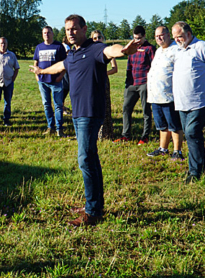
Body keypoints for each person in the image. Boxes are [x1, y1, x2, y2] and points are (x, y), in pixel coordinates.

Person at [29, 14, 140, 227]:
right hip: (78, 114)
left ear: (84, 29)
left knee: (85, 159)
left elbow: (110, 50)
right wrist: (42, 70)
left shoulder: (95, 49)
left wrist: (124, 51)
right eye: (67, 30)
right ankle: (94, 204)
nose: (70, 33)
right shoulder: (72, 54)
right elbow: (60, 66)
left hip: (90, 113)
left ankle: (93, 211)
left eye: (74, 29)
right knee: (91, 159)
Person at [172, 21, 205, 183]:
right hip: (182, 101)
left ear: (188, 34)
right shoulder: (179, 50)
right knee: (190, 134)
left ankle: (196, 172)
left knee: (192, 132)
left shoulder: (202, 47)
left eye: (179, 36)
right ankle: (193, 167)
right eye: (175, 37)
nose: (177, 40)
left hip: (201, 100)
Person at [146, 26, 184, 160]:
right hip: (155, 95)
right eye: (156, 36)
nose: (159, 38)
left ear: (168, 35)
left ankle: (177, 151)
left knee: (174, 125)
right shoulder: (158, 51)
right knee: (162, 125)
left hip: (169, 95)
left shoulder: (177, 50)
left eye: (161, 35)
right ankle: (163, 149)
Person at [114, 26, 155, 145]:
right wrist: (128, 83)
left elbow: (154, 67)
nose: (137, 40)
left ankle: (145, 136)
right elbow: (129, 66)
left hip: (144, 83)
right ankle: (125, 135)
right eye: (134, 38)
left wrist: (149, 84)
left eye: (139, 38)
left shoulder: (150, 49)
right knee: (126, 109)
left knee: (146, 111)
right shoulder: (132, 48)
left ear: (144, 36)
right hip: (132, 84)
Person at [33, 26, 67, 137]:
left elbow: (65, 63)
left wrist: (60, 76)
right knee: (46, 104)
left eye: (48, 32)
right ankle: (50, 127)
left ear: (52, 34)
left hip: (56, 81)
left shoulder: (59, 46)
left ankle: (59, 129)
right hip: (42, 81)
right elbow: (36, 62)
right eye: (44, 33)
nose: (46, 35)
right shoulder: (39, 47)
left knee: (58, 105)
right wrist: (36, 76)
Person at [0, 37, 20, 127]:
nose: (3, 45)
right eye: (1, 43)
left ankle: (6, 120)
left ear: (7, 44)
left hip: (8, 82)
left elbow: (16, 68)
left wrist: (13, 79)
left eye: (4, 43)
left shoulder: (12, 55)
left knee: (7, 102)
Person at [91, 30, 117, 140]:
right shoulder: (90, 51)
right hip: (92, 81)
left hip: (103, 81)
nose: (97, 40)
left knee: (105, 106)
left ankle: (105, 134)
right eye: (95, 38)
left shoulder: (108, 52)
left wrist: (104, 73)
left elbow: (114, 69)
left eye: (99, 37)